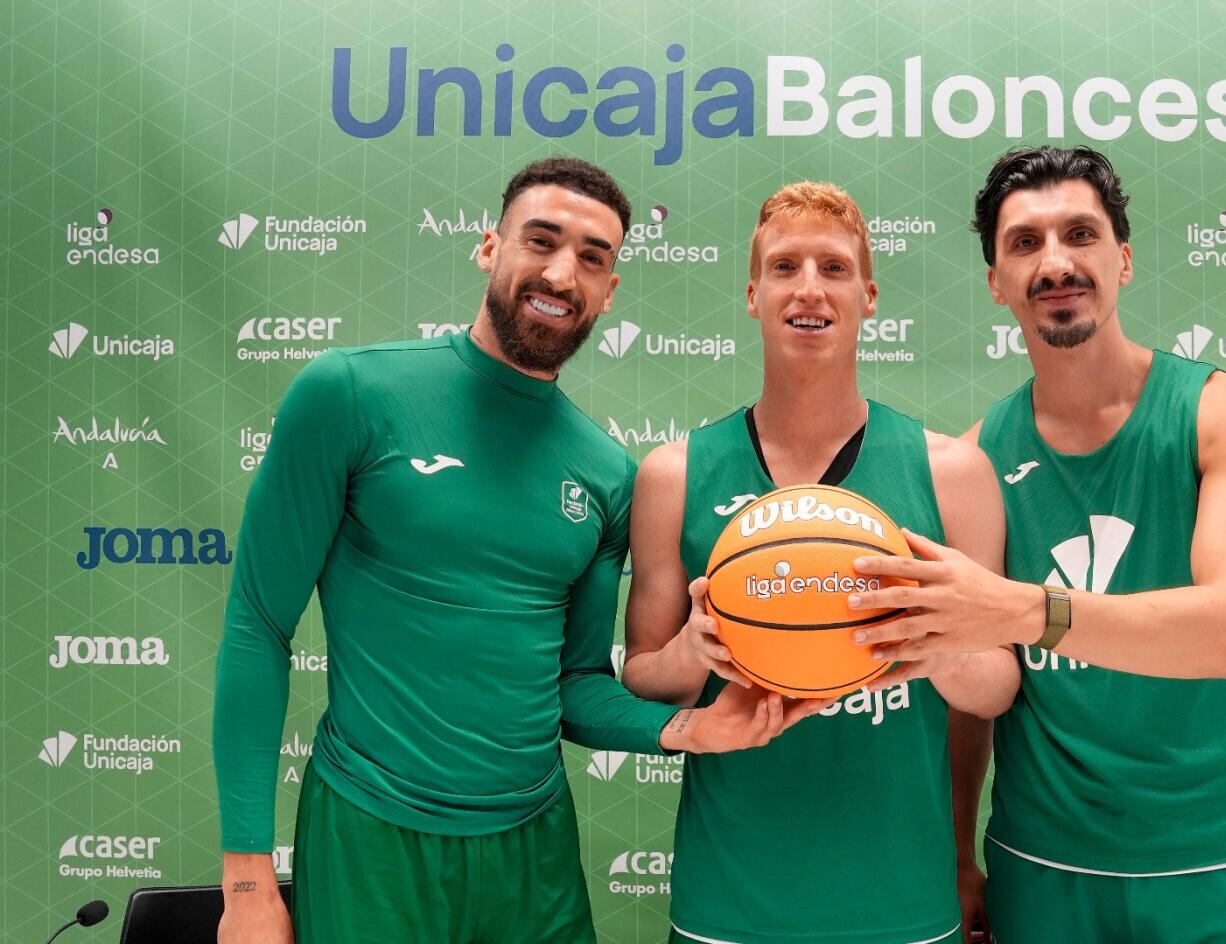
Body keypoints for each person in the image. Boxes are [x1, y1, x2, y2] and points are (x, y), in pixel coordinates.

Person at [213, 157, 823, 944]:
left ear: (609, 291)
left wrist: (684, 730)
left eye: (593, 258)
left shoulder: (606, 473)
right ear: (489, 248)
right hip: (371, 836)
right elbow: (258, 625)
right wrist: (246, 881)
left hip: (534, 854)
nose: (562, 273)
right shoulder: (350, 395)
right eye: (542, 241)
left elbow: (574, 683)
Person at [847, 146, 1226, 943]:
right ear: (996, 282)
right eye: (1024, 243)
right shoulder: (977, 460)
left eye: (1079, 235)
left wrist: (1020, 609)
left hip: (1224, 861)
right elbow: (969, 691)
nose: (1055, 262)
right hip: (1043, 866)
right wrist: (957, 854)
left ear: (1122, 260)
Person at [621, 181, 1020, 944]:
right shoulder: (673, 474)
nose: (810, 288)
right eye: (785, 267)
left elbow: (996, 687)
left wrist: (931, 643)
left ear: (869, 296)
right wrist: (690, 649)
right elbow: (641, 675)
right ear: (752, 294)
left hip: (902, 903)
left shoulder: (953, 472)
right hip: (727, 903)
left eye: (834, 268)